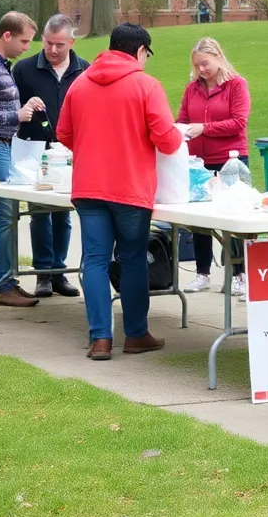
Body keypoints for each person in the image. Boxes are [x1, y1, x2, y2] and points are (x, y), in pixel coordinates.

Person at [57, 23, 182, 361]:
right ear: (141, 51)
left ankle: (100, 338)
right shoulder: (146, 85)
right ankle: (136, 333)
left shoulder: (79, 83)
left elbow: (63, 133)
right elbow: (167, 140)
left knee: (94, 261)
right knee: (132, 260)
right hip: (130, 188)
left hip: (88, 186)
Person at [12, 13, 88, 298]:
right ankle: (43, 272)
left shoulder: (84, 71)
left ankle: (58, 271)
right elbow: (11, 108)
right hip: (35, 152)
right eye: (48, 44)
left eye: (59, 45)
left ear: (70, 41)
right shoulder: (24, 70)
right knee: (39, 213)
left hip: (70, 152)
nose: (53, 50)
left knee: (64, 213)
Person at [0, 11, 45, 309]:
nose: (28, 47)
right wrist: (14, 115)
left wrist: (23, 106)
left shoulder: (0, 66)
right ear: (7, 36)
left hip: (5, 143)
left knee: (7, 213)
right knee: (4, 214)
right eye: (25, 41)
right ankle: (0, 284)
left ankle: (5, 281)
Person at [178, 37, 252, 297]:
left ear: (218, 58)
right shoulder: (192, 89)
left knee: (232, 217)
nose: (201, 70)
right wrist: (181, 129)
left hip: (230, 159)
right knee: (199, 220)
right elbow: (183, 119)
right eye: (197, 65)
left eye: (205, 64)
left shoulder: (236, 85)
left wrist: (204, 129)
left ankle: (240, 274)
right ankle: (202, 273)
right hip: (199, 162)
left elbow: (238, 122)